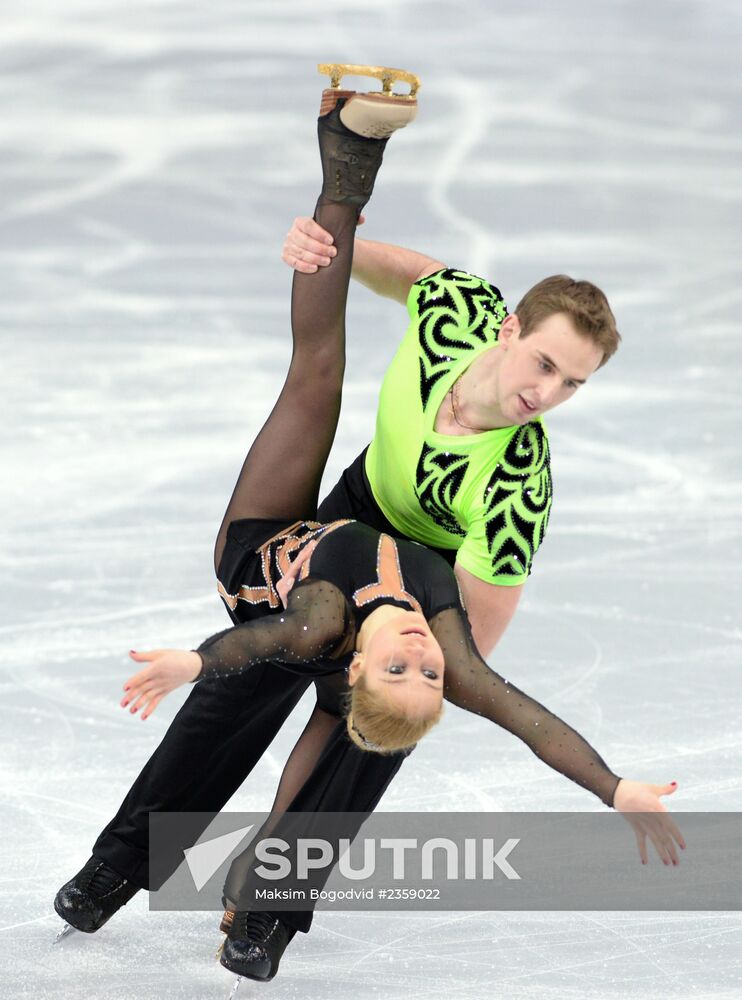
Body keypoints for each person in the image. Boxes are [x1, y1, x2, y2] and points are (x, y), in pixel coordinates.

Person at [53, 67, 683, 986]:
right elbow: (402, 271)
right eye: (545, 362)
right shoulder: (458, 312)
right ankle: (121, 865)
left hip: (425, 577)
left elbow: (471, 649)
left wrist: (404, 667)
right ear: (507, 328)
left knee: (369, 723)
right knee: (245, 680)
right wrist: (326, 244)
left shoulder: (517, 487)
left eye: (572, 385)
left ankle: (270, 902)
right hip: (346, 518)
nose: (545, 393)